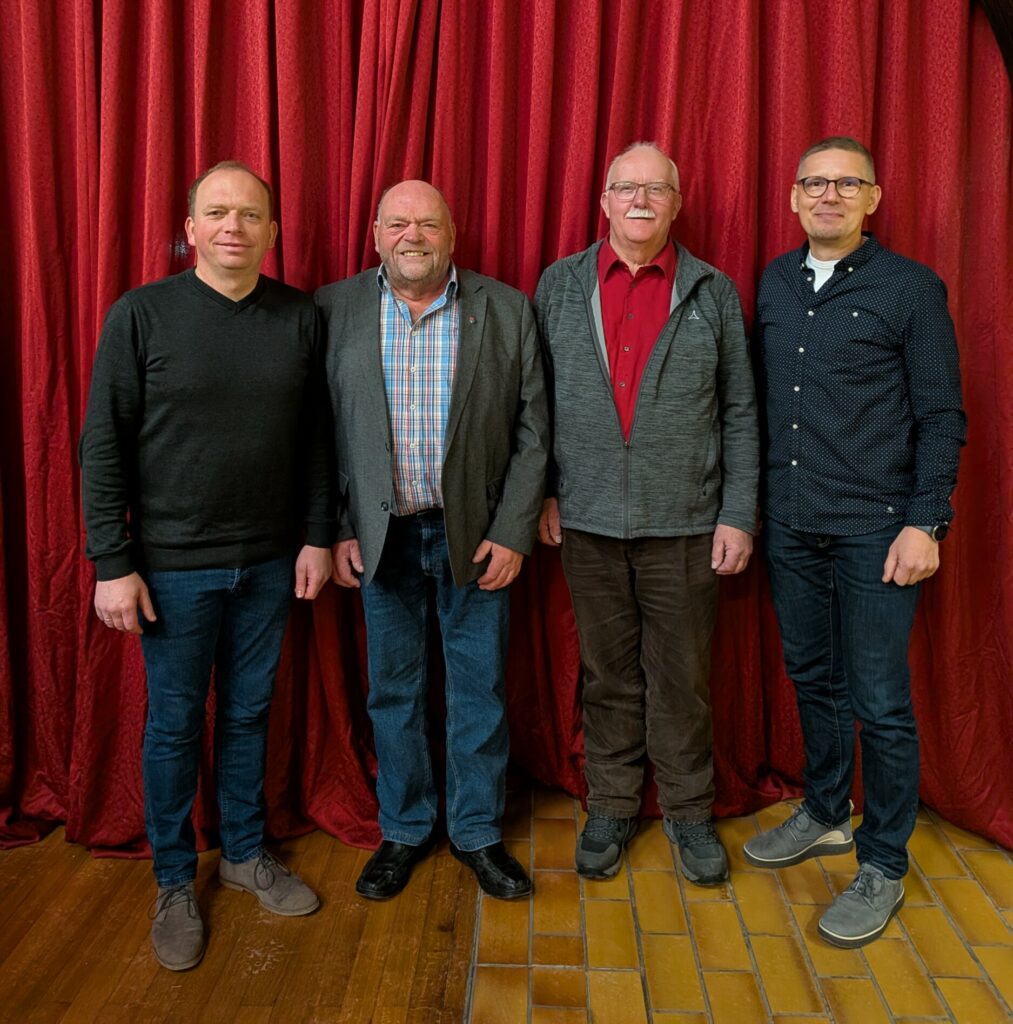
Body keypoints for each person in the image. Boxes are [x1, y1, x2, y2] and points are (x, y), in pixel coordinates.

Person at [79, 161, 334, 971]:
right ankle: (172, 880)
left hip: (268, 562)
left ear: (272, 232)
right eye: (217, 213)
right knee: (174, 723)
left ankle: (246, 852)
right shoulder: (141, 315)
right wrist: (111, 561)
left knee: (251, 714)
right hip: (173, 567)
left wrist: (319, 536)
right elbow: (102, 446)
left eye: (250, 214)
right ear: (189, 230)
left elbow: (320, 443)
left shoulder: (299, 317)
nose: (234, 226)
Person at [745, 136, 966, 948]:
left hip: (878, 528)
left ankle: (882, 863)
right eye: (813, 182)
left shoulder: (909, 289)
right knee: (811, 674)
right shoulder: (772, 281)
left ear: (872, 198)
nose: (827, 195)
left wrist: (925, 520)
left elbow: (942, 416)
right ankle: (825, 809)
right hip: (792, 520)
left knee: (879, 699)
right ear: (795, 197)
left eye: (845, 183)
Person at [315, 180, 549, 902]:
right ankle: (406, 829)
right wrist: (338, 530)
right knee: (394, 692)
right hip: (378, 541)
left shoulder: (504, 307)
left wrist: (513, 531)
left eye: (427, 222)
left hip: (472, 541)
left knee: (479, 691)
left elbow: (535, 431)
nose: (412, 234)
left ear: (452, 232)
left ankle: (476, 833)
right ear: (375, 232)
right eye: (397, 223)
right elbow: (314, 434)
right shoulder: (332, 309)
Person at [534, 142, 759, 886]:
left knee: (682, 677)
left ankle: (690, 814)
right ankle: (612, 804)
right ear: (602, 202)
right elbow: (532, 405)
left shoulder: (712, 291)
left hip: (687, 525)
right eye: (624, 188)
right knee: (606, 678)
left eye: (653, 189)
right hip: (587, 524)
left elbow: (739, 409)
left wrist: (738, 514)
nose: (638, 200)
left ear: (675, 202)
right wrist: (540, 494)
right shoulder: (559, 286)